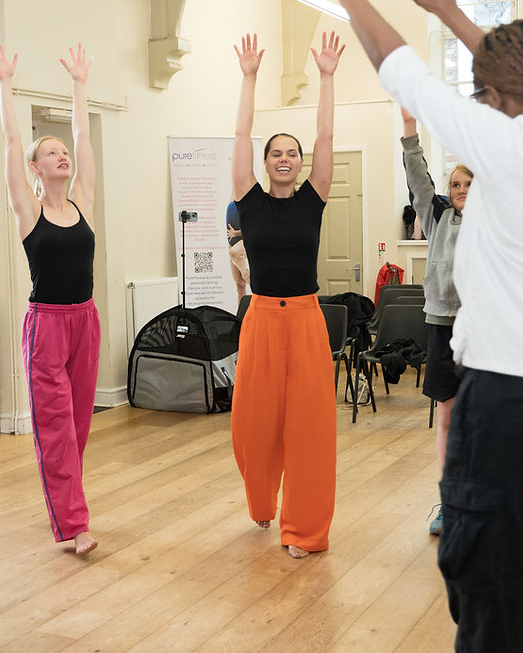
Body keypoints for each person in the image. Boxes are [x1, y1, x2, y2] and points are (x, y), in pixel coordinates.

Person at [341, 1, 523, 650]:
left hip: (519, 401)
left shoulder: (508, 144)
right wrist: (451, 14)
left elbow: (402, 71)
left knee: (492, 605)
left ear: (498, 96)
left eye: (485, 92)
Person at [0, 39, 101, 554]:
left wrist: (79, 87)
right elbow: (12, 141)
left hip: (86, 320)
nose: (62, 154)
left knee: (77, 426)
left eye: (64, 152)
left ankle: (65, 500)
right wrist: (5, 84)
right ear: (36, 168)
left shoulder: (83, 202)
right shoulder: (29, 211)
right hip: (47, 326)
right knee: (56, 430)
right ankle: (74, 524)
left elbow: (84, 136)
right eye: (50, 152)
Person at [230, 31, 342, 559]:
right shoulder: (248, 200)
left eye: (289, 153)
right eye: (275, 152)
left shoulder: (313, 198)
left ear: (299, 164)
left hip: (304, 319)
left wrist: (325, 78)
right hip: (259, 319)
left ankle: (304, 530)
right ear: (266, 160)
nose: (283, 158)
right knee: (254, 427)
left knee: (309, 429)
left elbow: (325, 139)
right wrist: (249, 78)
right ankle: (261, 501)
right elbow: (239, 135)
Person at [400, 107, 473, 536]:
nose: (461, 190)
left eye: (468, 183)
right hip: (442, 325)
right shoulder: (438, 217)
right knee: (446, 417)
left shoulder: (495, 222)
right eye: (455, 184)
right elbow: (417, 178)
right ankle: (449, 502)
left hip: (484, 332)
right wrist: (409, 129)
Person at [226, 200, 251, 297]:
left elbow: (254, 227)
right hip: (232, 243)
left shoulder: (253, 202)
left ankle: (248, 278)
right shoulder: (233, 199)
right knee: (239, 285)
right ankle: (241, 312)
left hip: (247, 242)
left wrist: (236, 233)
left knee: (234, 253)